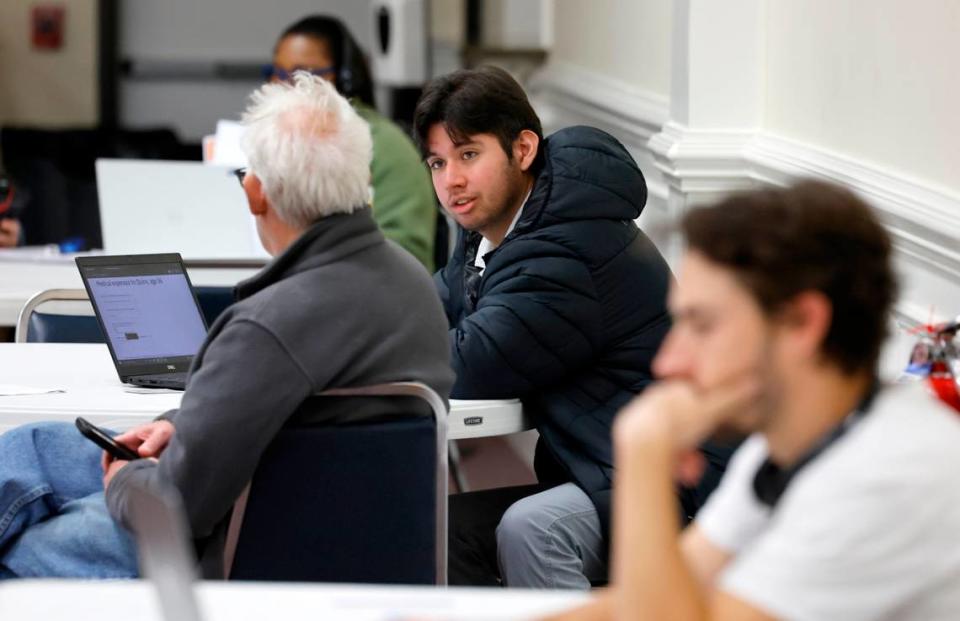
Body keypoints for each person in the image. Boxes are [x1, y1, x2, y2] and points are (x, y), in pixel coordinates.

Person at [0, 73, 454, 579]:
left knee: (19, 548)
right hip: (342, 535)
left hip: (229, 549)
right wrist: (179, 425)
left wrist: (127, 482)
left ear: (255, 191)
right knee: (35, 445)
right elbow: (286, 410)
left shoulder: (270, 326)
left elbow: (177, 509)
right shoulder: (413, 286)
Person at [555, 181, 960, 620]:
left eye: (702, 325)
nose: (669, 362)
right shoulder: (786, 444)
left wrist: (643, 455)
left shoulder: (888, 475)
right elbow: (657, 593)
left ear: (802, 324)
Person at [413, 66, 733, 589]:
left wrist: (373, 347)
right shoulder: (497, 227)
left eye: (469, 154)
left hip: (671, 481)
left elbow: (468, 362)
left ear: (523, 149)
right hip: (596, 461)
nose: (451, 181)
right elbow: (432, 307)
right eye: (438, 162)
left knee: (531, 530)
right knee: (440, 532)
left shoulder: (564, 248)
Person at [267, 15, 438, 271]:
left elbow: (407, 252)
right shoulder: (279, 140)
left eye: (301, 74)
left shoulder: (385, 145)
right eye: (277, 73)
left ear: (344, 77)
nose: (285, 86)